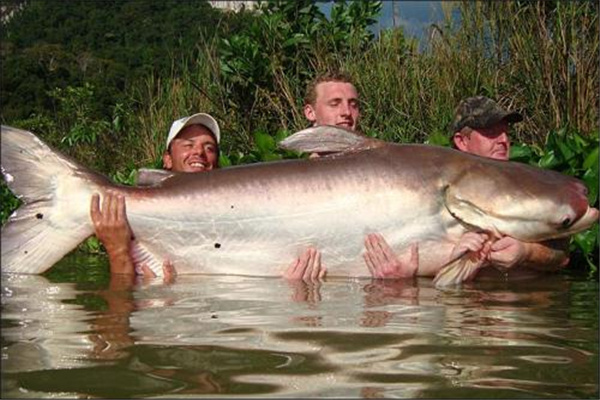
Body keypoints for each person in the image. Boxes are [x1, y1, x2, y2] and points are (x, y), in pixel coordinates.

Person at [301, 72, 419, 279]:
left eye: (353, 104)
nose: (346, 112)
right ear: (310, 112)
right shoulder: (293, 182)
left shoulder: (386, 174)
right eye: (334, 103)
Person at [449, 96, 570, 275]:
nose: (503, 140)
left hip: (523, 296)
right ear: (462, 141)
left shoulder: (529, 186)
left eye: (506, 131)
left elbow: (562, 255)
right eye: (491, 132)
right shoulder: (437, 188)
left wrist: (526, 252)